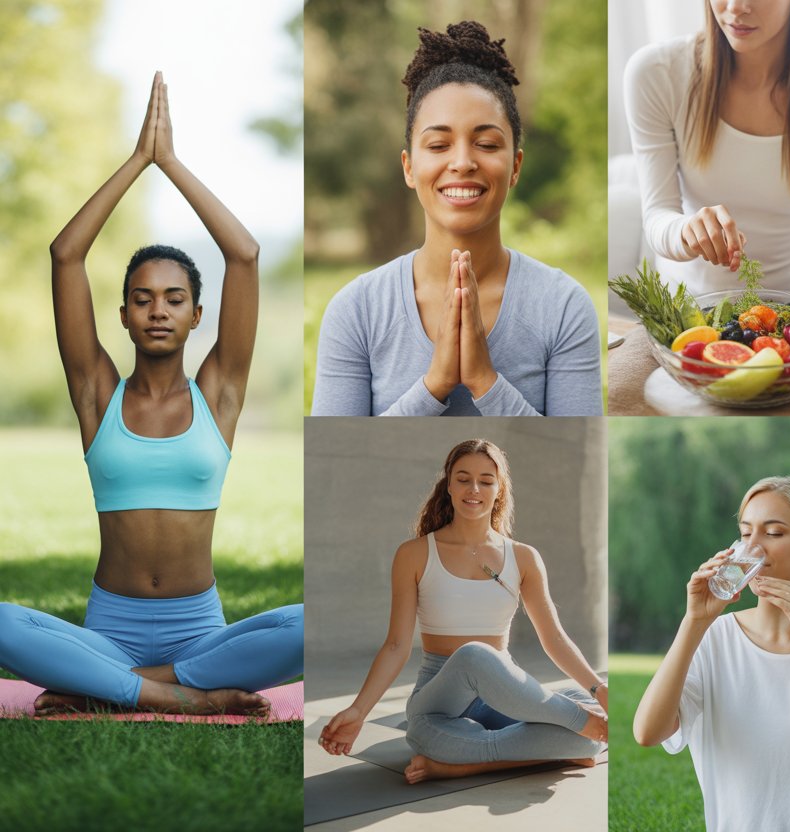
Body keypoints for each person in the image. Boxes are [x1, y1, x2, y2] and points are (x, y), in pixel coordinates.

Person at [0, 73, 303, 715]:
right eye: (142, 299)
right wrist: (137, 162)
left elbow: (243, 255)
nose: (157, 311)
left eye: (174, 299)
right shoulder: (95, 393)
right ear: (124, 315)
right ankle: (180, 695)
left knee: (312, 620)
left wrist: (172, 163)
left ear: (198, 315)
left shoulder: (220, 394)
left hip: (202, 628)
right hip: (110, 627)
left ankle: (123, 684)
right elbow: (65, 255)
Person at [312, 21, 602, 416]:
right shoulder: (356, 311)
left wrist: (485, 380)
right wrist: (435, 385)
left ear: (515, 167)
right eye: (438, 144)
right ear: (409, 167)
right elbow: (338, 464)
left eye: (485, 144)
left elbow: (572, 462)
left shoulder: (563, 307)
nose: (463, 162)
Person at [318, 439, 608, 783]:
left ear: (499, 490)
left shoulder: (524, 557)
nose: (474, 489)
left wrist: (597, 689)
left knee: (583, 726)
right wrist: (358, 711)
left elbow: (554, 638)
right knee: (474, 657)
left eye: (486, 481)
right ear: (449, 484)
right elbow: (396, 645)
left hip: (507, 693)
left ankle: (468, 764)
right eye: (464, 478)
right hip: (439, 700)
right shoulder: (414, 554)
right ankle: (574, 733)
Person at [623, 0, 790, 369]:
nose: (736, 7)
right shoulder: (656, 74)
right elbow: (657, 217)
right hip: (686, 320)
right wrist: (687, 230)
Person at [633, 477, 790, 832]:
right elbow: (648, 732)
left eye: (774, 533)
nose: (752, 548)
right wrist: (694, 622)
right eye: (745, 532)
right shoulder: (716, 636)